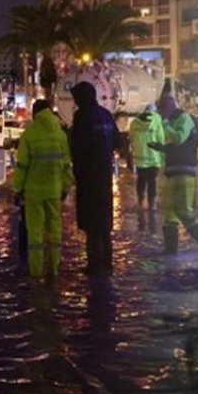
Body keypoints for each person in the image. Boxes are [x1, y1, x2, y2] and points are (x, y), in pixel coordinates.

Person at [157, 82, 198, 260]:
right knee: (169, 212)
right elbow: (175, 146)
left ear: (170, 106)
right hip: (172, 172)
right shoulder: (174, 120)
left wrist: (166, 123)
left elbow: (177, 139)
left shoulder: (184, 118)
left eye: (163, 108)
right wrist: (161, 148)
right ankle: (170, 251)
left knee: (184, 210)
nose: (161, 112)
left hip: (184, 172)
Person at [14, 99, 73, 280]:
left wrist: (18, 189)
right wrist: (65, 187)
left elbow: (22, 166)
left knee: (35, 233)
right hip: (54, 190)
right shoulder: (60, 134)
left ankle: (36, 272)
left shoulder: (29, 134)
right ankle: (54, 270)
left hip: (33, 193)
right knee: (55, 229)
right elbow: (66, 166)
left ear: (34, 113)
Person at [69, 82, 119, 276]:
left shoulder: (82, 117)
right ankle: (107, 264)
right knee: (104, 224)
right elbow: (117, 141)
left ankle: (94, 266)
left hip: (88, 177)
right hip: (105, 176)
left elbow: (77, 147)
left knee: (91, 224)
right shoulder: (106, 115)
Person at [129, 102, 166, 226]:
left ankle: (140, 202)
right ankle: (151, 204)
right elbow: (161, 138)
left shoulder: (134, 122)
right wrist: (164, 156)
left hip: (139, 158)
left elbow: (131, 138)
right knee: (152, 181)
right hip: (153, 157)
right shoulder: (156, 119)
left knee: (141, 180)